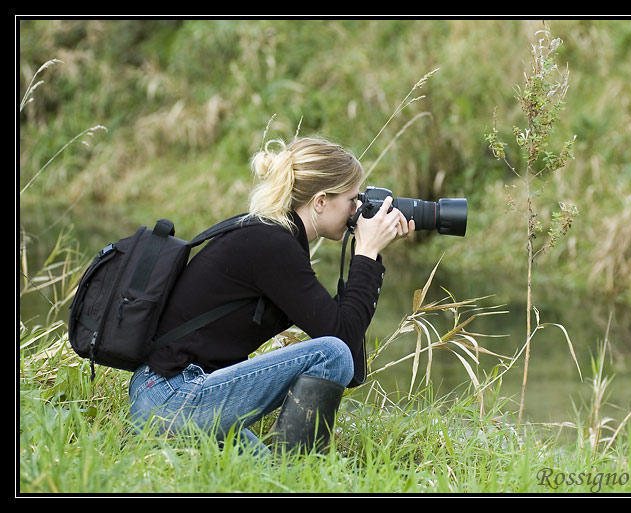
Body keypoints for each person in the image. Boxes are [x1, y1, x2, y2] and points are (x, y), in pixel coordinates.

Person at [128, 135, 415, 456]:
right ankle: (298, 466)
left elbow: (342, 331)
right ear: (320, 202)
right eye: (352, 200)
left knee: (272, 479)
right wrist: (366, 253)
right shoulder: (272, 245)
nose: (357, 210)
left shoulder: (272, 238)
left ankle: (291, 476)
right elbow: (341, 346)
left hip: (170, 396)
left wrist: (369, 257)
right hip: (174, 396)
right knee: (330, 353)